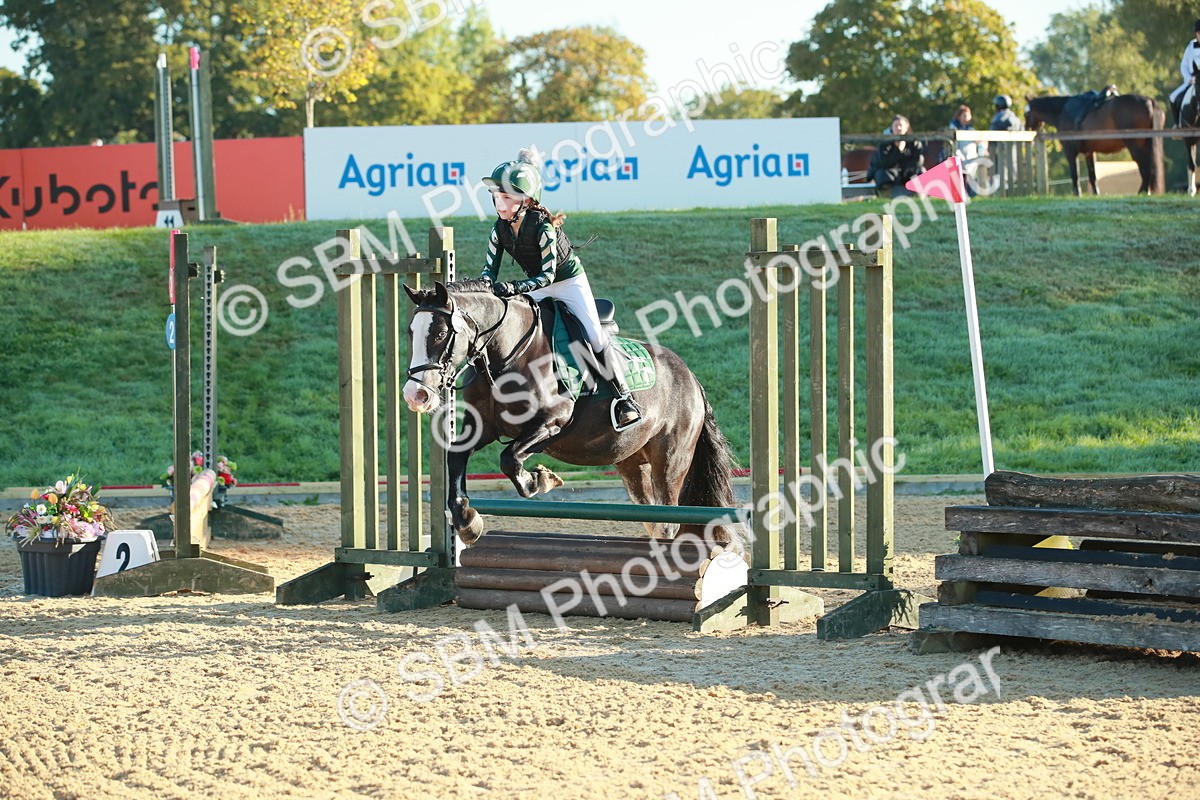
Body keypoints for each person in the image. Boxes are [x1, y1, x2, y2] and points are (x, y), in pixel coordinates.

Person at [479, 148, 642, 430]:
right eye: (497, 196)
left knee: (595, 335)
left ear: (527, 201)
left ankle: (624, 398)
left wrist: (513, 287)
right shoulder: (498, 230)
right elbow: (488, 271)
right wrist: (481, 288)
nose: (499, 204)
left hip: (567, 283)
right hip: (537, 285)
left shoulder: (544, 228)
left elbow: (547, 276)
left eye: (507, 197)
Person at [869, 114, 925, 196]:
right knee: (882, 174)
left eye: (901, 125)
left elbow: (917, 162)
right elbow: (883, 162)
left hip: (908, 175)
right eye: (896, 125)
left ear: (906, 127)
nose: (898, 128)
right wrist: (897, 150)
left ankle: (918, 195)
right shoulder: (884, 144)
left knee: (921, 171)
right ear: (892, 128)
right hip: (890, 176)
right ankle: (886, 195)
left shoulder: (914, 143)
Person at [1169, 20, 1200, 127]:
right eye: (1199, 33)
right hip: (1192, 81)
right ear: (1196, 34)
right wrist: (1189, 78)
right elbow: (1184, 65)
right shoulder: (1191, 46)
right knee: (1173, 97)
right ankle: (1178, 124)